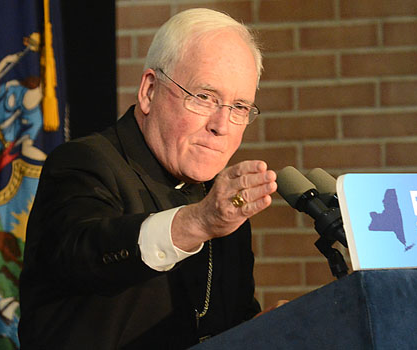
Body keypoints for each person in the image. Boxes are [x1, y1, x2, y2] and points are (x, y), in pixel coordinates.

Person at [18, 8, 278, 349]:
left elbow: (225, 321)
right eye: (204, 97)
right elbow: (86, 251)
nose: (222, 125)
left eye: (240, 107)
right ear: (150, 90)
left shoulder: (223, 199)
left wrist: (267, 329)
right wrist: (199, 221)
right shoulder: (83, 163)